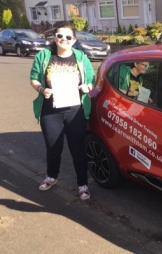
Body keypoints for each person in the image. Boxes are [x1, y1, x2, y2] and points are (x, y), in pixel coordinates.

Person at [30, 22, 95, 200]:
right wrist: (42, 90)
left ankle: (82, 185)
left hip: (75, 111)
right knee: (53, 148)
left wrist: (87, 87)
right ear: (54, 38)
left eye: (68, 37)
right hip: (51, 111)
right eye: (60, 36)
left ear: (74, 40)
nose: (63, 40)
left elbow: (92, 80)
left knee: (78, 150)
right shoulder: (44, 55)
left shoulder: (81, 57)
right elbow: (34, 78)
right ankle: (51, 176)